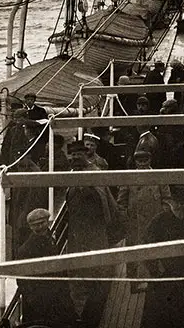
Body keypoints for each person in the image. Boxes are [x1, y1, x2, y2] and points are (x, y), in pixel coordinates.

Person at [65, 140, 114, 327]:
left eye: (78, 154)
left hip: (93, 232)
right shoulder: (73, 173)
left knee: (95, 272)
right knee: (79, 272)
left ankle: (92, 318)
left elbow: (102, 200)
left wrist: (86, 190)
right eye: (72, 155)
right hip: (77, 232)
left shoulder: (94, 173)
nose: (75, 158)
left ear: (85, 155)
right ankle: (82, 314)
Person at [144, 185, 184, 327]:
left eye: (181, 202)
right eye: (174, 202)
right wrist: (156, 269)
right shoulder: (159, 222)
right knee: (162, 316)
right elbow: (146, 247)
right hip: (164, 278)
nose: (177, 206)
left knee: (183, 315)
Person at [17, 208, 78, 328]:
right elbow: (22, 281)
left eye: (42, 223)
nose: (40, 227)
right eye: (36, 225)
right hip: (41, 302)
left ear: (47, 222)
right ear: (31, 227)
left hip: (55, 296)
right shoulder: (26, 250)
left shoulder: (49, 239)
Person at [117, 150, 169, 278]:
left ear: (150, 161)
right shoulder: (129, 179)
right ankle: (133, 280)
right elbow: (121, 202)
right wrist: (125, 218)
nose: (142, 164)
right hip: (135, 223)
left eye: (145, 161)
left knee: (154, 249)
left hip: (154, 221)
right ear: (135, 162)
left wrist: (162, 216)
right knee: (133, 251)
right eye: (139, 161)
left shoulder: (158, 177)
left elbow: (167, 199)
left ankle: (154, 277)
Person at [9, 152, 48, 256]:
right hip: (19, 218)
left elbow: (33, 200)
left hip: (26, 221)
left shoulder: (34, 175)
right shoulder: (21, 170)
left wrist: (22, 219)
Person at [155, 98, 184, 168]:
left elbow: (159, 132)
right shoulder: (181, 118)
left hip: (166, 150)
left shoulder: (162, 119)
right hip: (178, 151)